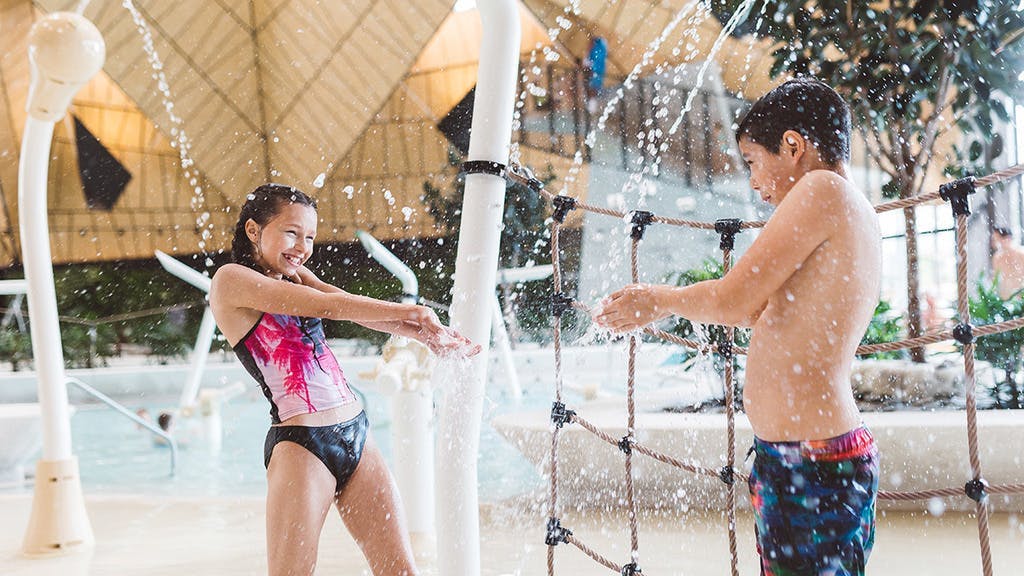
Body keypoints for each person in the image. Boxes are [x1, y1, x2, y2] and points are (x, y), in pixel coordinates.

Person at [596, 78, 881, 575]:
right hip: (806, 455)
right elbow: (756, 310)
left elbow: (734, 300)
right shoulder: (845, 205)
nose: (752, 182)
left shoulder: (822, 190)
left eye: (752, 162)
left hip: (812, 461)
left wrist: (658, 300)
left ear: (793, 146)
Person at [209, 183, 479, 576]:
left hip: (356, 434)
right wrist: (413, 312)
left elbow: (346, 304)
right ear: (253, 230)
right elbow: (330, 306)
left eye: (309, 237)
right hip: (302, 445)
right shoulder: (231, 280)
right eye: (291, 232)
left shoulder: (294, 276)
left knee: (401, 572)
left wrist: (424, 334)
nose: (302, 247)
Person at [990, 226, 1024, 299]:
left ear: (1007, 238)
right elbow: (995, 280)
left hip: (1021, 295)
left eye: (996, 239)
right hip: (1007, 298)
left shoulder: (1021, 253)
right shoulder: (997, 257)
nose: (993, 243)